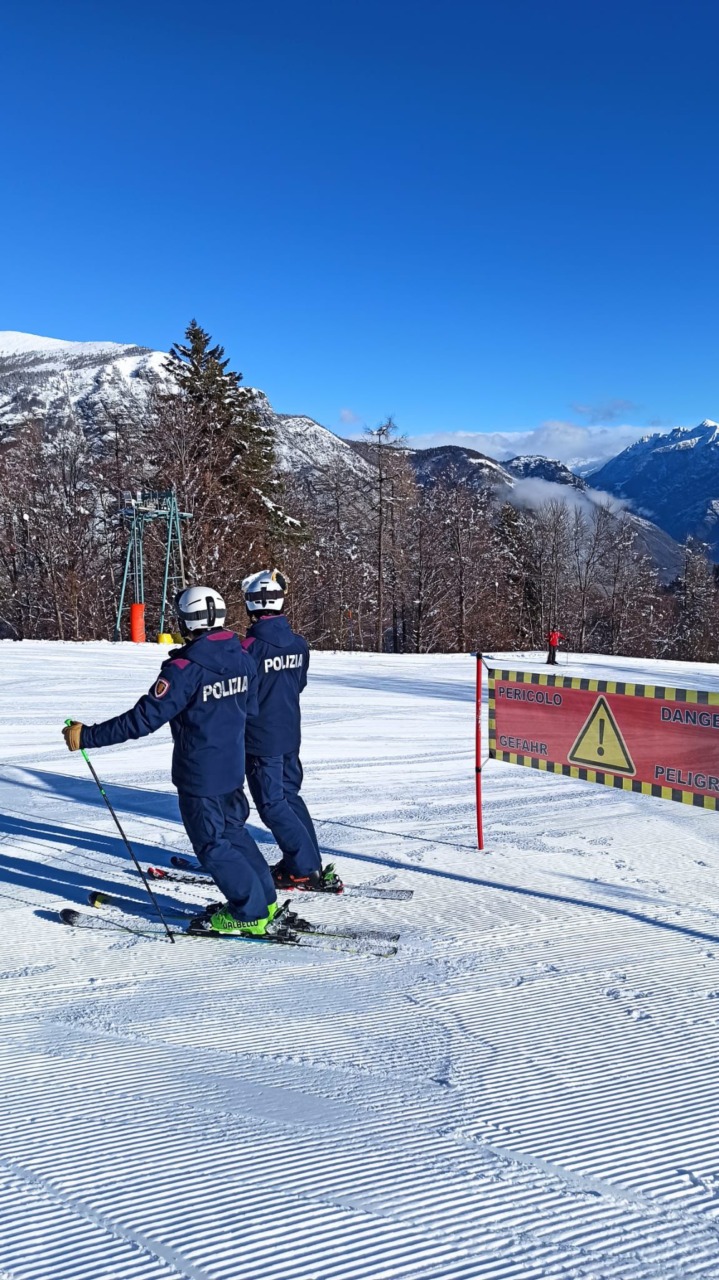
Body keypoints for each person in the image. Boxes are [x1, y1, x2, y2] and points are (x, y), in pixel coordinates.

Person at [61, 585, 279, 937]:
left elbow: (142, 720)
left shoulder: (184, 668)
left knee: (211, 843)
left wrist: (88, 736)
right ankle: (263, 899)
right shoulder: (242, 655)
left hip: (200, 771)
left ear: (185, 621)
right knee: (233, 831)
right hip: (231, 764)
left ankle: (250, 911)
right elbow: (250, 708)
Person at [241, 569, 340, 892]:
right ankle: (306, 860)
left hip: (260, 737)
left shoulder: (249, 649)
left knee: (272, 803)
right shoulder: (298, 644)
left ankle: (302, 866)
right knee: (289, 796)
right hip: (288, 732)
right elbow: (299, 684)